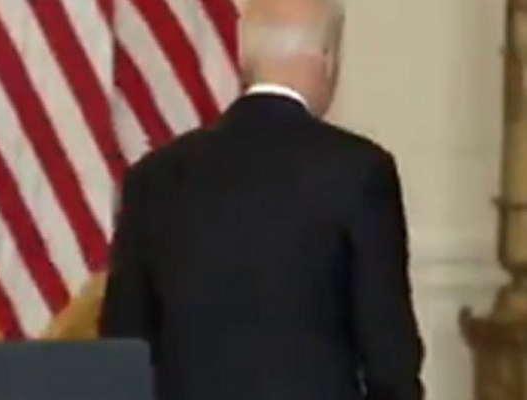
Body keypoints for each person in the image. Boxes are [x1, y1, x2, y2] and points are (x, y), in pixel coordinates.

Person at [99, 0, 425, 400]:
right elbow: (390, 362)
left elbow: (123, 353)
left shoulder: (154, 178)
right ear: (325, 59)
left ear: (244, 59)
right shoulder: (360, 172)